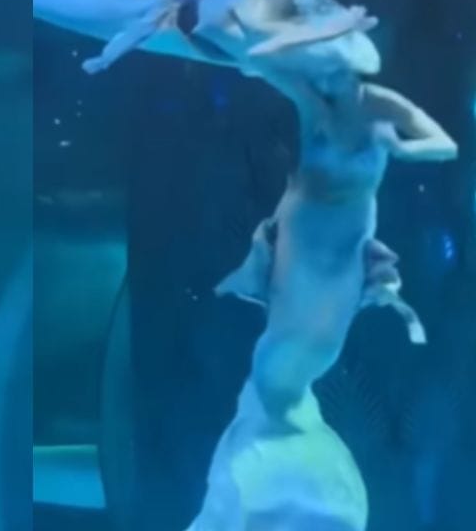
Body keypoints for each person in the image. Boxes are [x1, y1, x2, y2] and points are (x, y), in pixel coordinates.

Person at [190, 31, 457, 531]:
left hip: (343, 248)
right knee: (275, 364)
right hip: (302, 237)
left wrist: (397, 144)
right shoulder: (313, 100)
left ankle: (287, 503)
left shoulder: (382, 105)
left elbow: (443, 146)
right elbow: (261, 63)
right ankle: (261, 499)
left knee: (309, 355)